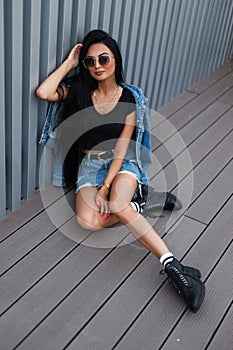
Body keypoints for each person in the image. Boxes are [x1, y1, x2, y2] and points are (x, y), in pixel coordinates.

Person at [36, 29, 205, 312]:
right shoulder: (79, 91)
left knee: (116, 202)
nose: (97, 65)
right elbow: (44, 92)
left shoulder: (129, 98)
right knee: (87, 222)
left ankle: (175, 268)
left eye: (104, 58)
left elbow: (124, 147)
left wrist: (105, 188)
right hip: (89, 166)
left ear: (115, 59)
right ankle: (144, 204)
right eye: (90, 61)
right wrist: (69, 64)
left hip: (121, 163)